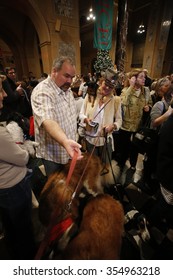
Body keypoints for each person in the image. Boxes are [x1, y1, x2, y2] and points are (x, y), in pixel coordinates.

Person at [0, 74, 36, 259]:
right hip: (12, 189)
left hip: (5, 188)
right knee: (23, 231)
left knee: (12, 229)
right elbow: (21, 158)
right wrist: (22, 148)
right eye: (0, 90)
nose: (4, 95)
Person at [31, 56, 82, 177]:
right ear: (54, 71)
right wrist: (65, 141)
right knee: (55, 190)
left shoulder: (66, 89)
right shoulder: (43, 91)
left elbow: (70, 115)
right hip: (53, 155)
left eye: (72, 77)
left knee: (67, 185)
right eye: (66, 76)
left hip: (68, 150)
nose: (70, 81)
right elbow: (48, 120)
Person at [78, 69, 122, 164]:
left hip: (105, 140)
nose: (107, 88)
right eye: (105, 84)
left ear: (113, 88)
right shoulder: (90, 95)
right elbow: (81, 114)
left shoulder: (116, 101)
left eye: (110, 87)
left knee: (105, 167)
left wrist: (113, 126)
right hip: (90, 139)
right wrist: (85, 119)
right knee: (93, 167)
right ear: (101, 82)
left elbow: (119, 121)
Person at [117, 69, 153, 184]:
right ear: (134, 78)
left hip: (138, 126)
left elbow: (150, 103)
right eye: (141, 77)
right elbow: (123, 103)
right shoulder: (125, 91)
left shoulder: (146, 91)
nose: (144, 79)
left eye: (144, 77)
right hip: (126, 126)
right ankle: (120, 168)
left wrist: (149, 107)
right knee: (124, 148)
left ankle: (132, 167)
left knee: (135, 148)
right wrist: (131, 87)